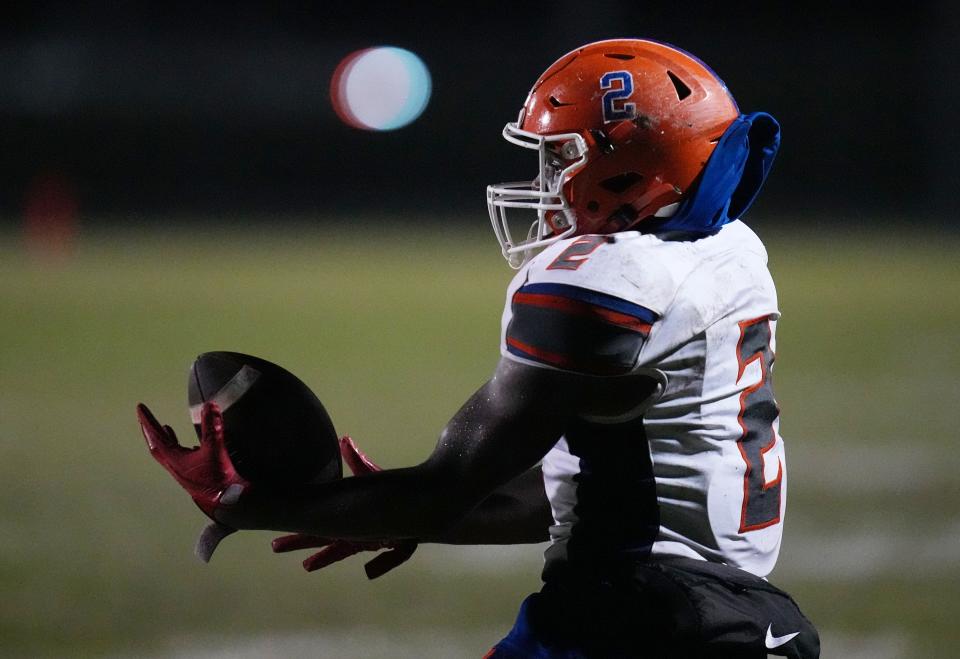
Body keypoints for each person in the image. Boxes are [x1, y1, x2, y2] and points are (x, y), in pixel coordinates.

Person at [138, 38, 820, 658]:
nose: (548, 181)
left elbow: (443, 487)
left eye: (561, 158)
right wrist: (391, 508)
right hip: (740, 621)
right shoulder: (727, 252)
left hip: (628, 618)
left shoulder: (609, 281)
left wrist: (246, 504)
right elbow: (563, 498)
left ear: (630, 168)